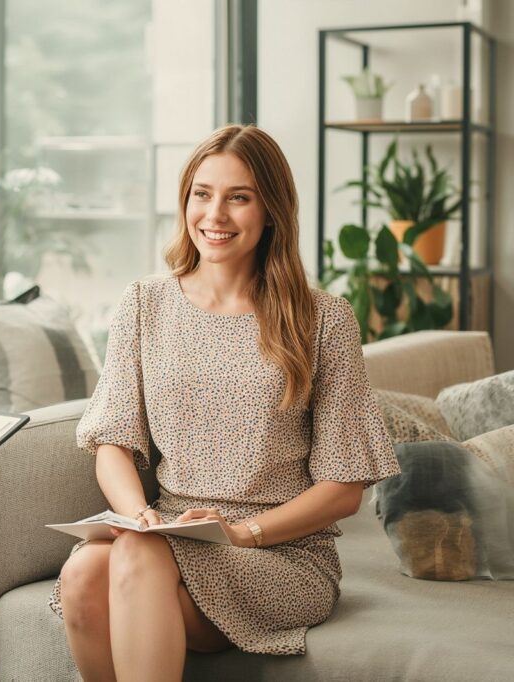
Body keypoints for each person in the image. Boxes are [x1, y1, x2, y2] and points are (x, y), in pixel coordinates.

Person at [51, 125, 401, 682]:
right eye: (202, 193)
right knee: (86, 569)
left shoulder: (322, 319)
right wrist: (137, 514)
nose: (215, 215)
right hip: (168, 535)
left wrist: (242, 532)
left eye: (239, 197)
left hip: (280, 554)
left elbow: (344, 488)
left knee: (134, 557)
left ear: (271, 211)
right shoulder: (146, 303)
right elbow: (113, 439)